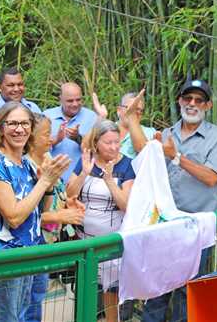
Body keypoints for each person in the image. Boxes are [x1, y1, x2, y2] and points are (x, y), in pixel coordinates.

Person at [142, 78, 217, 322]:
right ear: (180, 101)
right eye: (187, 98)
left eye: (199, 100)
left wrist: (177, 156)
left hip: (196, 226)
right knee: (156, 287)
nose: (192, 104)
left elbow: (212, 178)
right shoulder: (166, 134)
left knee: (187, 289)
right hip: (164, 224)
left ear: (208, 105)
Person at [0, 102, 69, 322]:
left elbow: (40, 212)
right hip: (5, 255)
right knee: (7, 319)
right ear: (1, 128)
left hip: (28, 252)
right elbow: (14, 217)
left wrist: (48, 184)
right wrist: (44, 182)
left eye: (24, 123)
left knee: (22, 314)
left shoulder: (25, 163)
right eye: (12, 123)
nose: (19, 129)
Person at [66, 120, 135, 322]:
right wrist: (85, 173)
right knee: (85, 290)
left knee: (111, 294)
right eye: (108, 143)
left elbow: (126, 205)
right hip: (84, 241)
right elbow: (69, 194)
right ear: (96, 143)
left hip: (111, 244)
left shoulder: (128, 165)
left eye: (117, 142)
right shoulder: (86, 160)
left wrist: (110, 181)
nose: (114, 147)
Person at [22, 113, 85, 322]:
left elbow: (53, 197)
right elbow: (23, 214)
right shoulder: (25, 166)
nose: (51, 138)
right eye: (47, 134)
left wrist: (68, 203)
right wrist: (59, 215)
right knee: (24, 300)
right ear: (31, 137)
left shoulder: (48, 159)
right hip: (29, 243)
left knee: (36, 296)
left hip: (47, 242)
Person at [0, 67, 42, 156]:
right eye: (11, 85)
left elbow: (42, 140)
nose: (16, 89)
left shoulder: (33, 108)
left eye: (20, 84)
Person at [43, 82, 98, 181]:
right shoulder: (47, 116)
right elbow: (36, 149)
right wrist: (57, 139)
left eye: (78, 100)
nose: (75, 104)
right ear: (60, 99)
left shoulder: (92, 117)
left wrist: (78, 138)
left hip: (81, 180)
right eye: (70, 101)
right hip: (51, 180)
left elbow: (96, 149)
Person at [92, 90, 156, 159]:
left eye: (139, 110)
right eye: (130, 108)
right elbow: (88, 148)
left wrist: (131, 116)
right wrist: (100, 119)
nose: (135, 112)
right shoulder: (107, 129)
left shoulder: (150, 132)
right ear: (119, 110)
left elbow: (142, 150)